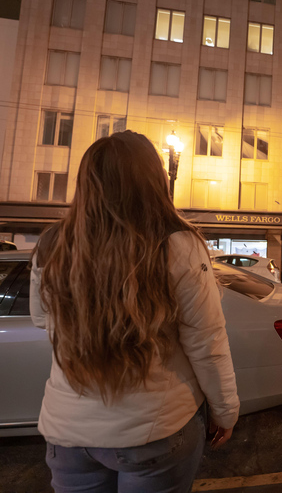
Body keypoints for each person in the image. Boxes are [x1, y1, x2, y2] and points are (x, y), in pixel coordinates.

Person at [30, 131, 240, 493]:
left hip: (69, 433)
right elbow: (207, 341)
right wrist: (225, 411)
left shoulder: (54, 242)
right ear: (153, 180)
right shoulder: (176, 243)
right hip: (154, 430)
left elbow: (42, 318)